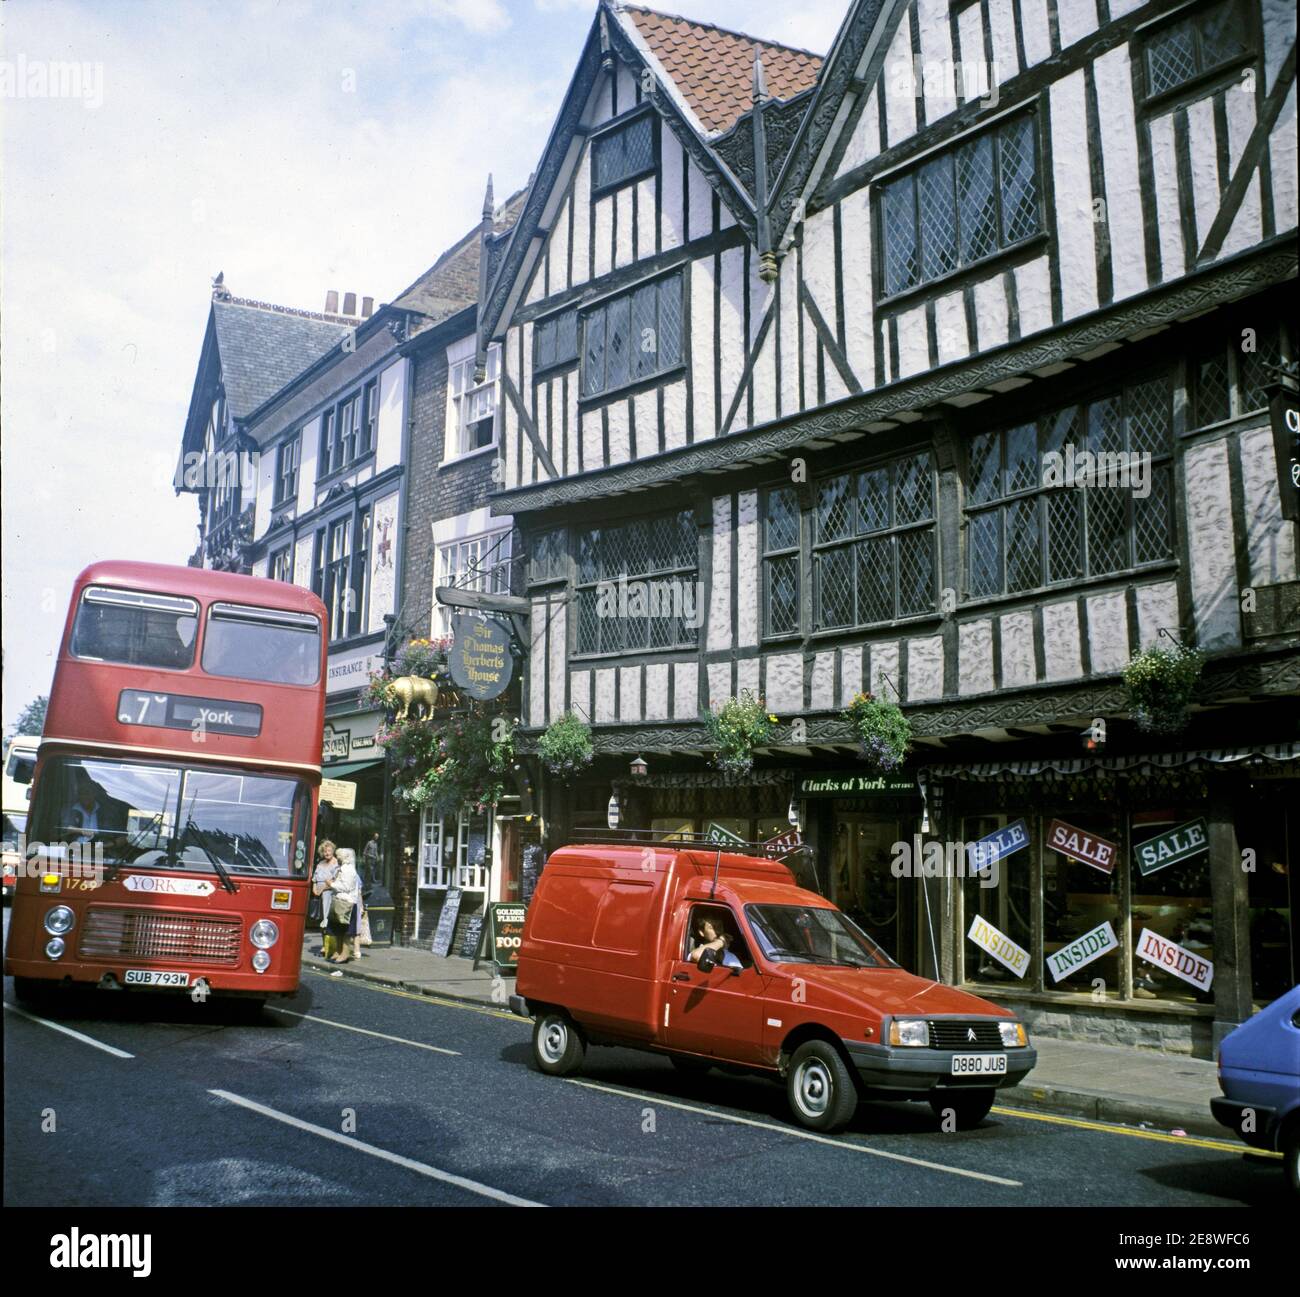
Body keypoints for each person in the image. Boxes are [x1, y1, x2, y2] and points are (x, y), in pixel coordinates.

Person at [326, 848, 362, 965]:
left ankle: (345, 954)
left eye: (338, 856)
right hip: (340, 901)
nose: (337, 858)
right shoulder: (342, 869)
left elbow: (345, 887)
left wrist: (331, 884)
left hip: (347, 904)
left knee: (346, 931)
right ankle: (339, 951)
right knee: (338, 929)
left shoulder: (348, 870)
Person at [313, 840, 339, 960]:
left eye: (329, 851)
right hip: (319, 897)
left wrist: (323, 888)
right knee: (321, 921)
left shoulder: (336, 864)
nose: (327, 853)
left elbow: (335, 882)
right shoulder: (320, 863)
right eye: (325, 851)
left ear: (333, 851)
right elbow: (314, 879)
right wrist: (314, 889)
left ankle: (328, 947)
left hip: (329, 895)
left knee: (327, 920)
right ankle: (324, 944)